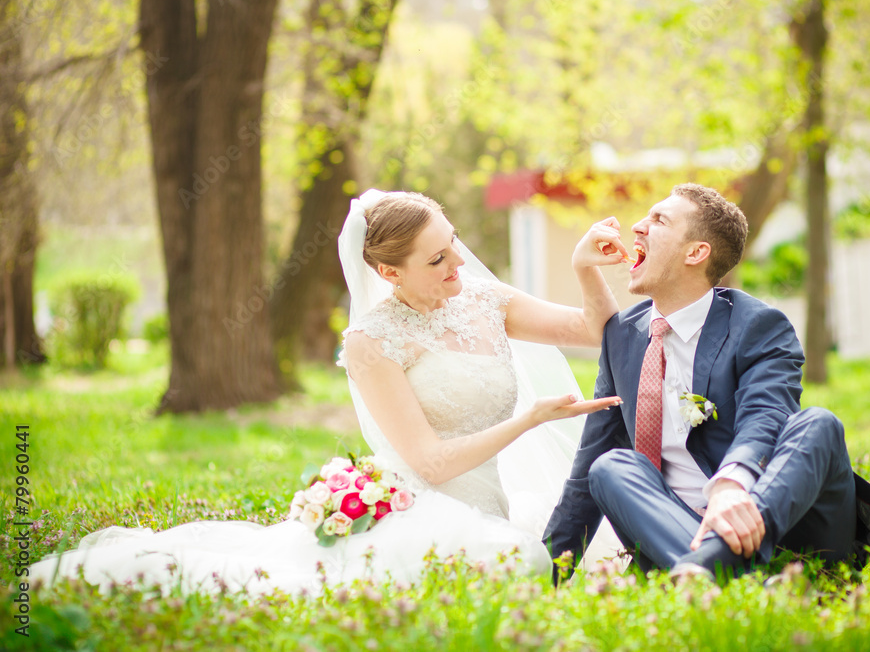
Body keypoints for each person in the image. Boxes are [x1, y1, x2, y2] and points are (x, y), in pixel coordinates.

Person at [30, 189, 626, 595]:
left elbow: (592, 329)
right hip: (429, 510)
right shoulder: (374, 342)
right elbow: (430, 461)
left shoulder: (483, 301)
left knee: (549, 555)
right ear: (389, 273)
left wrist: (584, 269)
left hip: (493, 504)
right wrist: (530, 419)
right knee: (518, 567)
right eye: (439, 258)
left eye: (455, 244)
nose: (458, 267)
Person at [543, 183, 870, 582]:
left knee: (819, 424)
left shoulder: (757, 325)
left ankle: (710, 569)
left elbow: (767, 413)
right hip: (680, 533)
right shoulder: (622, 336)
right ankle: (715, 570)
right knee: (609, 466)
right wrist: (545, 574)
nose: (637, 226)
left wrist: (730, 484)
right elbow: (587, 471)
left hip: (783, 528)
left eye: (658, 220)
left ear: (696, 252)